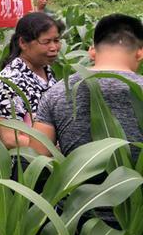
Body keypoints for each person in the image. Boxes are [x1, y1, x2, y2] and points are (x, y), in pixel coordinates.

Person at [31, 14, 143, 157]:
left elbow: (35, 156)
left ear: (91, 52)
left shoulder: (57, 92)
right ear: (140, 53)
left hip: (76, 177)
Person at [0, 12, 64, 148]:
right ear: (23, 43)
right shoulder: (10, 81)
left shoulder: (47, 72)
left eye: (56, 40)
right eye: (46, 42)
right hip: (27, 164)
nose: (54, 48)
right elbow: (10, 138)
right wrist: (55, 151)